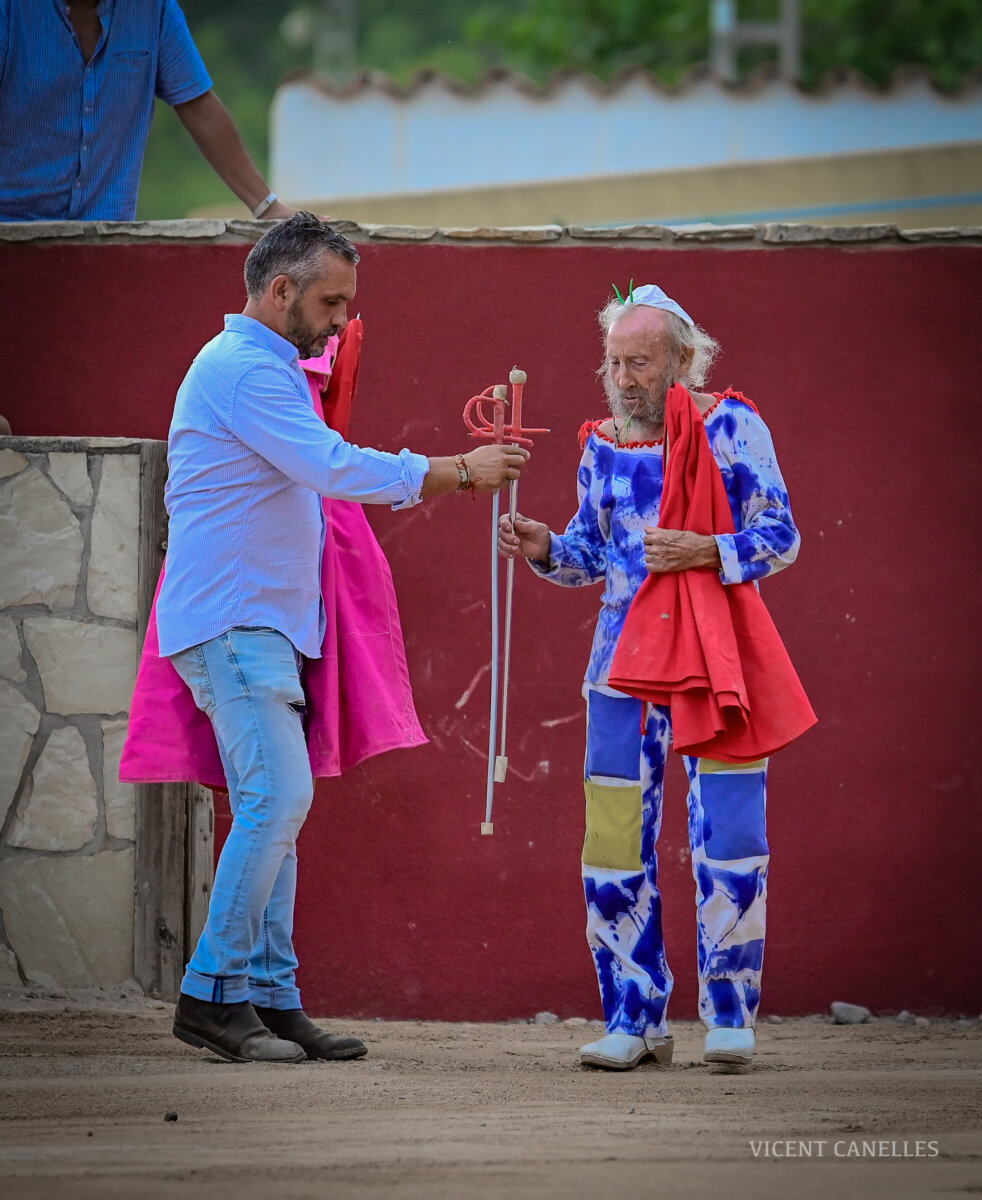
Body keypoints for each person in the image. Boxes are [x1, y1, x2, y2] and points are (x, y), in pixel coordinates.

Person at [157, 212, 528, 1064]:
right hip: (236, 621)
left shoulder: (262, 367)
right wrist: (455, 472)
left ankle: (271, 997)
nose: (340, 321)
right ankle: (212, 994)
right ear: (280, 289)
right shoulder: (245, 370)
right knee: (277, 801)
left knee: (273, 808)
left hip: (254, 621)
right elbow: (329, 466)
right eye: (331, 303)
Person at [498, 284, 800, 1070]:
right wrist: (543, 547)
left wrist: (707, 550)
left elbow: (780, 536)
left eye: (639, 362)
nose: (623, 378)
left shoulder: (733, 425)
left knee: (731, 836)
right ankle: (633, 1018)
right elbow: (590, 555)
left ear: (682, 360)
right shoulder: (600, 445)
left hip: (714, 663)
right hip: (619, 674)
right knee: (612, 843)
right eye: (614, 362)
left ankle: (730, 1013)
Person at [0, 0, 293, 222]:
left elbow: (199, 107)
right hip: (11, 230)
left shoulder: (153, 8)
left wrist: (267, 208)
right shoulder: (10, 10)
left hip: (105, 234)